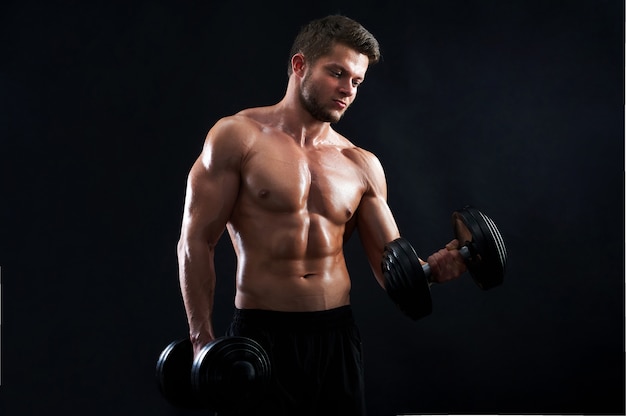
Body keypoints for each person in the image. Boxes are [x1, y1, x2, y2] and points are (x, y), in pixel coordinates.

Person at [176, 14, 466, 415]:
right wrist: (200, 342)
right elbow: (195, 241)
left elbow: (392, 269)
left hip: (336, 338)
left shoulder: (361, 163)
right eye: (338, 73)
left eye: (357, 82)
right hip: (262, 337)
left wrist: (434, 270)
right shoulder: (236, 137)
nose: (348, 90)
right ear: (300, 66)